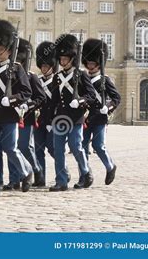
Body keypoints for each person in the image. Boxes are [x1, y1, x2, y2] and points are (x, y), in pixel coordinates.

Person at [0, 20, 34, 195]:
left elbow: (26, 92)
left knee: (10, 148)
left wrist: (12, 99)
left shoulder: (17, 68)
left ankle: (26, 171)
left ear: (9, 50)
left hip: (10, 115)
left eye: (1, 49)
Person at [49, 34, 96, 192]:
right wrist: (49, 119)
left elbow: (91, 96)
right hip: (60, 118)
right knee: (58, 150)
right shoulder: (57, 77)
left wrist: (81, 101)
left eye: (65, 59)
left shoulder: (81, 74)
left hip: (76, 117)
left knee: (76, 147)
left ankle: (85, 172)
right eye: (61, 59)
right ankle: (61, 180)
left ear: (71, 59)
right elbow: (53, 101)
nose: (62, 62)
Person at [8, 38, 46, 187]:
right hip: (10, 116)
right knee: (11, 148)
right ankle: (14, 179)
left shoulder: (31, 76)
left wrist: (28, 105)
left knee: (24, 146)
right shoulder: (8, 75)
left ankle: (36, 169)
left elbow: (40, 97)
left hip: (27, 117)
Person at [81, 38, 121, 185]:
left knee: (98, 145)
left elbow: (116, 98)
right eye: (89, 63)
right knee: (82, 145)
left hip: (100, 118)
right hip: (85, 118)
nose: (90, 66)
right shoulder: (83, 79)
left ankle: (110, 166)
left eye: (93, 63)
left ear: (98, 64)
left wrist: (108, 107)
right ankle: (86, 174)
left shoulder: (105, 80)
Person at [33, 41, 69, 182]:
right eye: (42, 66)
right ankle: (40, 177)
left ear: (52, 66)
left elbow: (58, 101)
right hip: (39, 120)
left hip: (53, 120)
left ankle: (63, 170)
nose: (43, 68)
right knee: (38, 149)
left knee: (53, 148)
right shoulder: (37, 80)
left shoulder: (58, 80)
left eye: (46, 66)